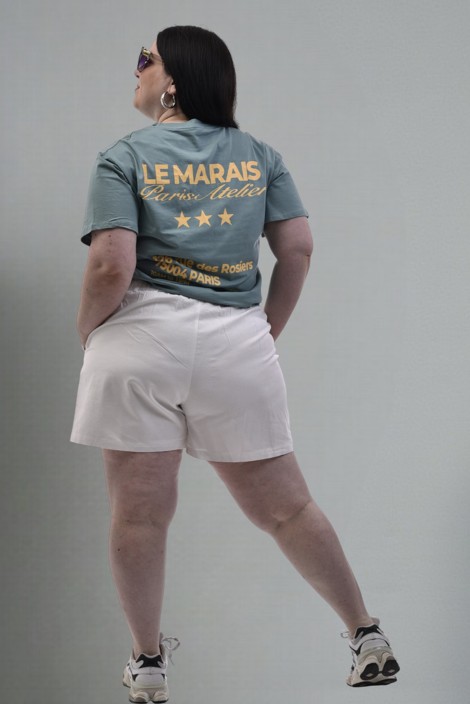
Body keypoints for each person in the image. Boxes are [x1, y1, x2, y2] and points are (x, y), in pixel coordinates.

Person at [70, 25, 400, 703]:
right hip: (236, 342)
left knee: (139, 516)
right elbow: (298, 248)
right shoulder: (259, 156)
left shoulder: (123, 156)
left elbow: (110, 264)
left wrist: (90, 332)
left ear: (172, 82)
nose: (136, 69)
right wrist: (265, 329)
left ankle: (148, 663)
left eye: (145, 59)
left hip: (140, 340)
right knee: (287, 508)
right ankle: (365, 633)